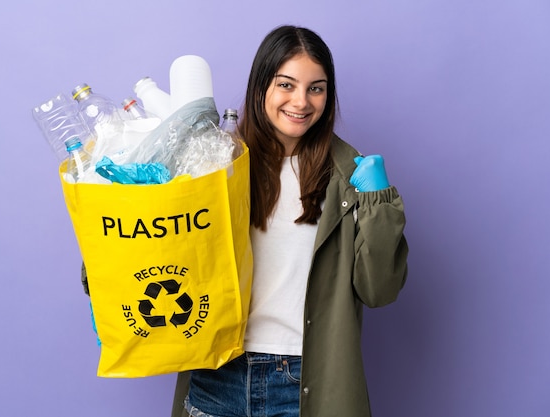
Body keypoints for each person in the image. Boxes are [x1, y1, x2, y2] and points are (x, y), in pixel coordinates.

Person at [171, 25, 409, 417]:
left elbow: (379, 290)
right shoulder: (212, 164)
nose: (301, 101)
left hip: (303, 381)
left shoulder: (350, 176)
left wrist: (379, 204)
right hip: (216, 373)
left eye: (316, 88)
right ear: (261, 86)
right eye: (286, 84)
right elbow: (162, 247)